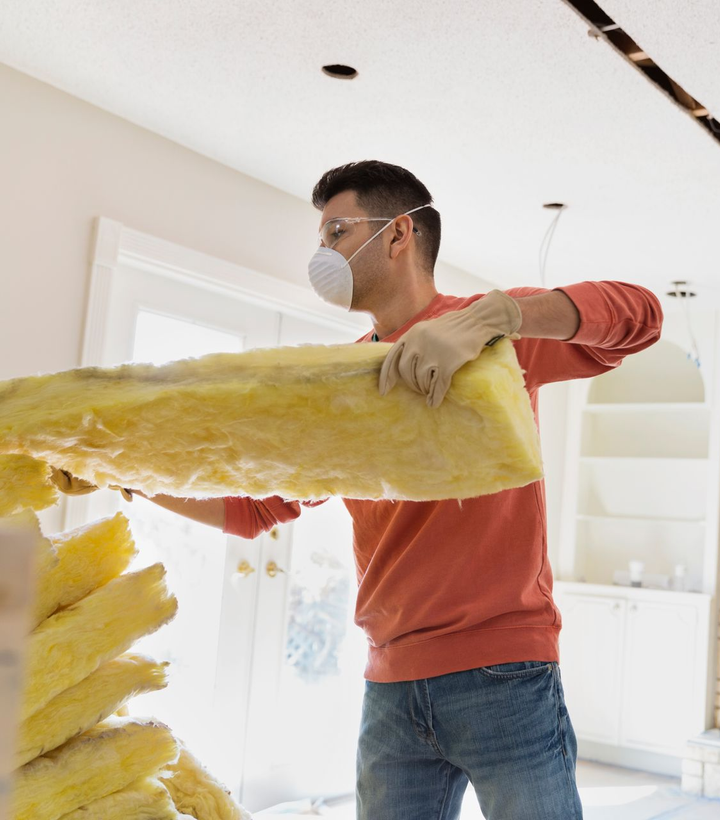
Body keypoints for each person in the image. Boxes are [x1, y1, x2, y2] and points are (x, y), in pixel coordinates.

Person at [136, 161, 662, 819]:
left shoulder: (494, 334)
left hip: (504, 672)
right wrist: (130, 479)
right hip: (390, 683)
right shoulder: (344, 377)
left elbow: (641, 316)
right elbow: (256, 509)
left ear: (397, 235)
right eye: (321, 237)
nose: (322, 253)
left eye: (336, 232)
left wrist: (500, 316)